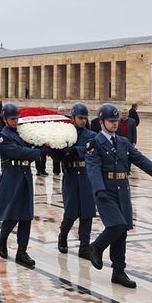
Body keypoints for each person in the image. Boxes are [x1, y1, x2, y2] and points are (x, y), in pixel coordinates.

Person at [86, 103, 152, 288]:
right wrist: (98, 190)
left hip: (122, 189)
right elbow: (92, 168)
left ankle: (118, 271)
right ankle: (96, 247)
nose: (115, 124)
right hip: (105, 191)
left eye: (116, 121)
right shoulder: (95, 143)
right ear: (101, 122)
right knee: (117, 225)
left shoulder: (123, 142)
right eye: (111, 121)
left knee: (122, 232)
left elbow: (139, 159)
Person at [0, 103, 47, 268]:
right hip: (12, 176)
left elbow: (30, 147)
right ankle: (2, 237)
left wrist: (44, 144)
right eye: (12, 118)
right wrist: (40, 153)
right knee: (12, 213)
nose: (15, 121)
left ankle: (22, 251)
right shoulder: (3, 136)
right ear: (5, 119)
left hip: (25, 174)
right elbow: (18, 152)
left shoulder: (22, 133)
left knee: (26, 215)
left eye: (17, 118)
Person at [56, 103, 97, 259]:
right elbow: (58, 153)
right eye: (80, 118)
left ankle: (84, 246)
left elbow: (91, 150)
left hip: (86, 175)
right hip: (71, 175)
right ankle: (63, 235)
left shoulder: (91, 134)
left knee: (87, 212)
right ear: (73, 118)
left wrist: (75, 151)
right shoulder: (65, 133)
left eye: (85, 118)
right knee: (71, 211)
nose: (83, 121)